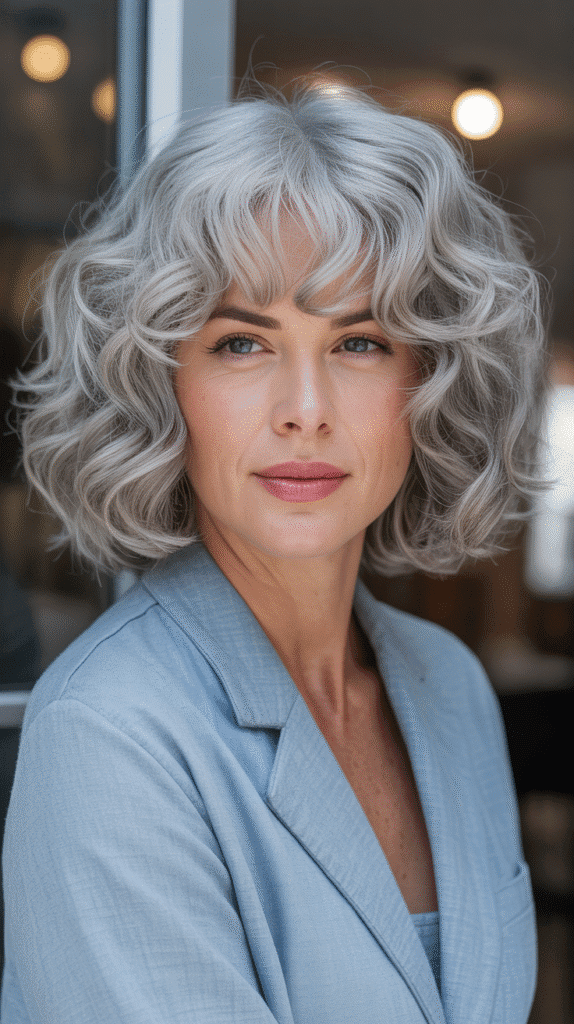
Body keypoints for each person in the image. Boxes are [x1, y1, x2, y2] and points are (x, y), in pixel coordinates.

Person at [1, 71, 549, 1023]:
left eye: (362, 342)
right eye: (242, 345)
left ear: (434, 382)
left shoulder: (451, 688)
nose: (305, 413)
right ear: (160, 383)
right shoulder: (110, 732)